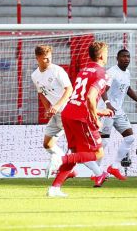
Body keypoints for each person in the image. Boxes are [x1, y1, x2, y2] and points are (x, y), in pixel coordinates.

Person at [48, 41, 115, 197]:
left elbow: (81, 99)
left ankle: (55, 188)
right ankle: (59, 159)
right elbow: (91, 97)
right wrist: (95, 118)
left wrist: (100, 112)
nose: (107, 56)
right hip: (81, 119)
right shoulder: (102, 73)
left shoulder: (83, 70)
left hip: (68, 113)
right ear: (101, 55)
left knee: (75, 154)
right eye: (106, 53)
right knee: (98, 153)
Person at [98, 48, 137, 177]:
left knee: (130, 138)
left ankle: (114, 167)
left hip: (118, 110)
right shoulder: (112, 72)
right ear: (117, 58)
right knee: (104, 142)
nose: (126, 59)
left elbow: (127, 88)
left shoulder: (127, 73)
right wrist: (108, 104)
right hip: (106, 110)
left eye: (128, 56)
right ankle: (97, 171)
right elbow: (103, 89)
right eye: (123, 56)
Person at [30, 44, 73, 177]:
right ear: (37, 58)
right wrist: (48, 108)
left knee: (75, 146)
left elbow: (69, 89)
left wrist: (57, 105)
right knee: (47, 144)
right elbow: (41, 93)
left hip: (67, 111)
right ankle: (63, 163)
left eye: (49, 57)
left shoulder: (57, 71)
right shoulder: (35, 75)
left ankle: (97, 172)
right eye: (45, 58)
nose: (48, 60)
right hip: (56, 113)